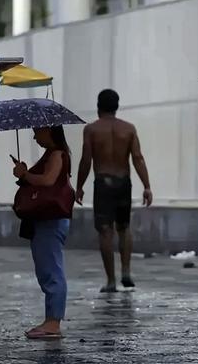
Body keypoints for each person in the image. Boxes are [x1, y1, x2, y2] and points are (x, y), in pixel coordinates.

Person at [76, 89, 152, 293]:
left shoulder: (91, 130)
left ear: (98, 107)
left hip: (103, 183)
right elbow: (138, 158)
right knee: (124, 227)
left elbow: (86, 159)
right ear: (117, 106)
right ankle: (126, 271)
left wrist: (79, 186)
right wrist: (147, 186)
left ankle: (111, 280)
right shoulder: (128, 129)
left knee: (105, 231)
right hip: (123, 182)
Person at [13, 126, 73, 339]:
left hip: (51, 220)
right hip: (46, 220)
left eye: (38, 131)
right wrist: (25, 173)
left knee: (51, 269)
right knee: (46, 268)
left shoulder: (57, 154)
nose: (35, 136)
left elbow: (48, 180)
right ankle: (51, 320)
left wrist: (25, 174)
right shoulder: (51, 154)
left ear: (49, 130)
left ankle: (53, 322)